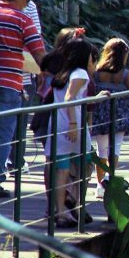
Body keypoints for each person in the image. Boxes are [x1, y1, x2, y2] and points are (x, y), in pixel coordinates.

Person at [0, 0, 46, 192]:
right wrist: (48, 73)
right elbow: (38, 53)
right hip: (8, 84)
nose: (28, 4)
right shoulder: (21, 19)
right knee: (3, 133)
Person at [46, 37, 95, 228]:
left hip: (58, 123)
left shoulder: (62, 73)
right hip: (71, 124)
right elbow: (70, 97)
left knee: (62, 168)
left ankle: (61, 212)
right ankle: (74, 200)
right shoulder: (81, 73)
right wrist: (74, 124)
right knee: (86, 162)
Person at [91, 38, 129, 187]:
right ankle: (110, 178)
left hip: (101, 112)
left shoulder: (97, 72)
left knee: (102, 150)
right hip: (120, 113)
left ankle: (100, 184)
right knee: (115, 147)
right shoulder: (124, 74)